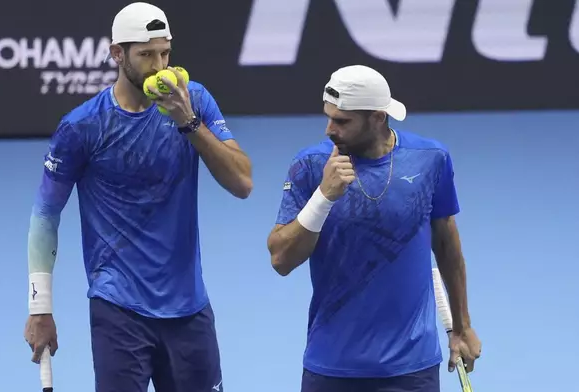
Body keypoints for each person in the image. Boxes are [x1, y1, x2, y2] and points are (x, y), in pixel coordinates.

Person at [23, 2, 252, 392]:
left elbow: (242, 183)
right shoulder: (83, 126)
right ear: (117, 54)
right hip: (119, 309)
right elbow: (45, 215)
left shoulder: (193, 101)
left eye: (165, 53)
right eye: (146, 55)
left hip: (189, 307)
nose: (160, 67)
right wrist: (39, 308)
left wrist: (188, 123)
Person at [266, 65, 481, 391]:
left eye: (342, 121)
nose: (329, 129)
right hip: (332, 367)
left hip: (411, 369)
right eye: (328, 117)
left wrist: (463, 327)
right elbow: (281, 258)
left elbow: (447, 245)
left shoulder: (430, 159)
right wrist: (323, 197)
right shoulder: (311, 166)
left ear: (378, 118)